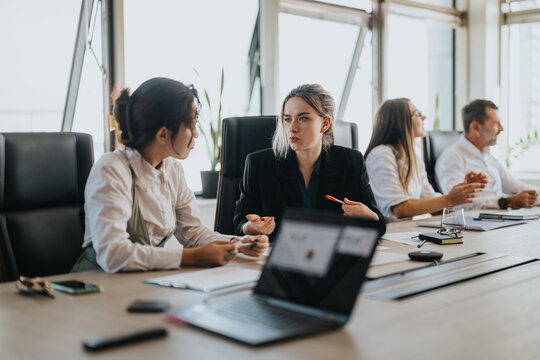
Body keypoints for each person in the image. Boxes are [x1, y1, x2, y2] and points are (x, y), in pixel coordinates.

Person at [73, 77, 268, 273]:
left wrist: (239, 243)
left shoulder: (172, 169)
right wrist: (193, 257)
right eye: (191, 125)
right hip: (96, 286)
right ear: (163, 134)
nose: (196, 134)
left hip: (142, 282)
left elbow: (194, 234)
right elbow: (113, 254)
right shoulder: (112, 169)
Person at [233, 84, 385, 238]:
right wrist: (252, 227)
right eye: (287, 119)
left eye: (303, 118)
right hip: (280, 255)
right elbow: (239, 224)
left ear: (325, 124)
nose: (292, 128)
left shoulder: (351, 162)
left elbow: (379, 225)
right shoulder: (259, 164)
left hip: (332, 256)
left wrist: (369, 217)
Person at [364, 98, 484, 220]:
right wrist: (448, 199)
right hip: (388, 232)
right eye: (417, 114)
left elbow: (432, 202)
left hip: (406, 232)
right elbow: (399, 209)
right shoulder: (381, 155)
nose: (424, 117)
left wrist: (462, 191)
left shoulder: (414, 158)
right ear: (400, 122)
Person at [436, 99, 539, 209]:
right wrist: (505, 202)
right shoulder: (452, 157)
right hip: (474, 223)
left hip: (498, 221)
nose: (501, 128)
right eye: (496, 123)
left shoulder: (490, 159)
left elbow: (519, 188)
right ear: (476, 128)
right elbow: (455, 202)